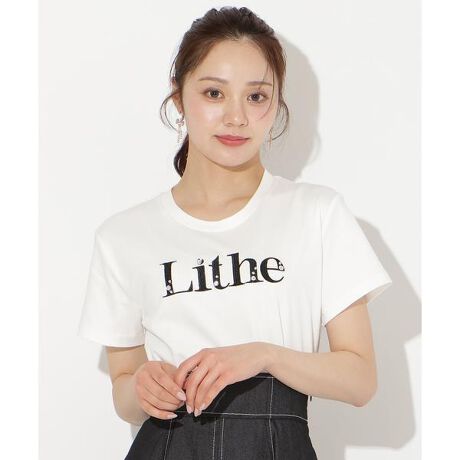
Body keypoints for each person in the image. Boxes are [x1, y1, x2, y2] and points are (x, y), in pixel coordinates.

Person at [77, 6, 392, 459]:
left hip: (276, 445)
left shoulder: (317, 213)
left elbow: (360, 380)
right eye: (214, 93)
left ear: (276, 104)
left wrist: (264, 355)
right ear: (179, 99)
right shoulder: (123, 236)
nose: (236, 117)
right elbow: (124, 395)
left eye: (256, 96)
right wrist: (143, 384)